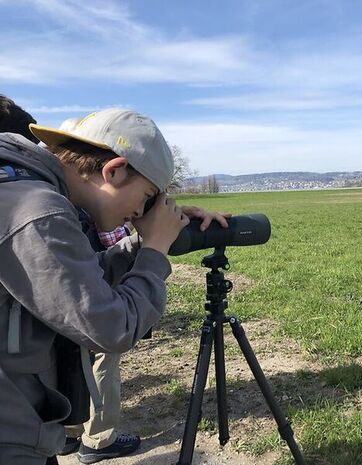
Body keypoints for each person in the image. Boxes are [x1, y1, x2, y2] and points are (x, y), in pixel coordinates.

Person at [0, 106, 229, 465]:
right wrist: (154, 251)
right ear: (115, 170)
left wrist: (144, 241)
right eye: (150, 197)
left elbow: (78, 283)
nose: (144, 212)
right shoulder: (38, 210)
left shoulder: (22, 188)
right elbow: (110, 327)